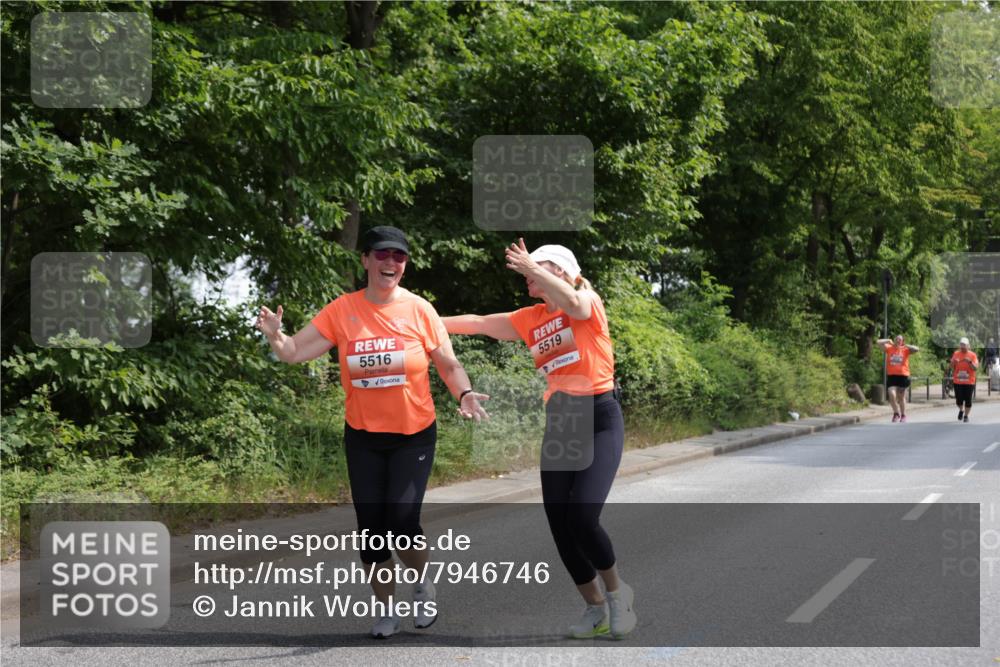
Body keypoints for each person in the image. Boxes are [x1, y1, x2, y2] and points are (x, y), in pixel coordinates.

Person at [256, 225, 489, 639]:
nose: (390, 262)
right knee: (371, 532)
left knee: (402, 520)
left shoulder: (420, 310)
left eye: (398, 256)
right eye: (382, 254)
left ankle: (421, 585)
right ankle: (386, 611)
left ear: (404, 265)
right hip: (363, 436)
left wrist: (465, 393)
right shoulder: (342, 311)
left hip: (413, 433)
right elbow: (294, 352)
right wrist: (276, 336)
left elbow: (448, 364)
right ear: (365, 260)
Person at [442, 239, 637, 640]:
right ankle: (594, 607)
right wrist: (423, 318)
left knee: (583, 516)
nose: (529, 275)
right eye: (531, 269)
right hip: (563, 420)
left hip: (600, 415)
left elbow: (578, 305)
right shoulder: (530, 318)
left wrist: (534, 264)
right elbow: (477, 323)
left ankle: (619, 595)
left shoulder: (587, 299)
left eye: (540, 269)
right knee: (560, 525)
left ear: (563, 272)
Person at [876, 335, 919, 423]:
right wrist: (888, 340)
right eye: (897, 339)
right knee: (891, 394)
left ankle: (903, 415)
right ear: (894, 340)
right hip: (892, 376)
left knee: (901, 397)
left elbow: (916, 349)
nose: (898, 340)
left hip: (903, 376)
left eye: (900, 339)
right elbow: (878, 342)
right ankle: (896, 413)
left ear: (902, 341)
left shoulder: (905, 350)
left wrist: (906, 345)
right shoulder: (889, 348)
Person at [950, 336, 979, 422]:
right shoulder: (956, 354)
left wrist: (969, 362)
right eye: (961, 345)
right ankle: (961, 410)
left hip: (969, 382)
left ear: (968, 346)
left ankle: (966, 416)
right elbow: (951, 366)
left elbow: (975, 368)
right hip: (958, 381)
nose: (963, 347)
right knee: (958, 400)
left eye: (964, 345)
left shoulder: (973, 355)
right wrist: (953, 362)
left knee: (968, 400)